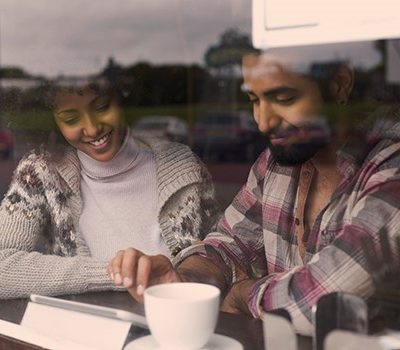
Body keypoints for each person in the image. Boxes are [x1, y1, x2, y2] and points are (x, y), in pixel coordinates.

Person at [108, 49, 400, 335]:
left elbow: (325, 299)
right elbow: (229, 244)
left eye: (283, 98)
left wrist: (243, 294)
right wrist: (185, 282)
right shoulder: (276, 162)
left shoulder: (392, 167)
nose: (263, 121)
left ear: (339, 84)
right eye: (254, 99)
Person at [0, 78, 220, 299]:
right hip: (80, 332)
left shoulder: (183, 167)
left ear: (121, 100)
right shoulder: (40, 172)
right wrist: (121, 274)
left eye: (102, 107)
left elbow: (223, 261)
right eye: (71, 118)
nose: (93, 128)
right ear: (55, 122)